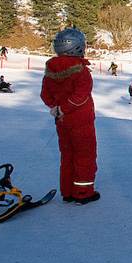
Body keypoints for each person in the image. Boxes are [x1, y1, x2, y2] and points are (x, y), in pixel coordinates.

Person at [41, 28, 99, 204]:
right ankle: (83, 193)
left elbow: (45, 95)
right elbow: (80, 96)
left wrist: (56, 108)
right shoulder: (81, 71)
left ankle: (67, 191)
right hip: (81, 121)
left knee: (67, 156)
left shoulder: (50, 70)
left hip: (62, 121)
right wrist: (65, 108)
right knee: (85, 156)